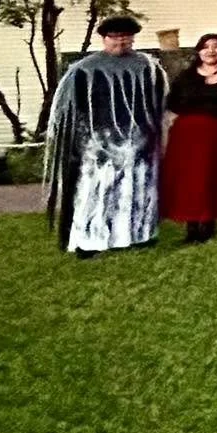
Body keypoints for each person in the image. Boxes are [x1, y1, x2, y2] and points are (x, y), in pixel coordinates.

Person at [46, 15, 166, 257]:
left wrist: (154, 135)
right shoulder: (84, 70)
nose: (120, 41)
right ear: (104, 38)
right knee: (96, 192)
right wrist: (84, 142)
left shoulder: (149, 67)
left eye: (126, 37)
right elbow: (70, 112)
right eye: (115, 37)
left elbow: (159, 103)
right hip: (99, 146)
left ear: (133, 38)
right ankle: (89, 240)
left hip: (141, 143)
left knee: (138, 189)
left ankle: (137, 235)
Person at [161, 33, 217, 243]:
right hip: (186, 136)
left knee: (211, 179)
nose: (211, 51)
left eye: (216, 46)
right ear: (199, 51)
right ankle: (191, 227)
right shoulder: (186, 76)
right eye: (206, 47)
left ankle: (208, 225)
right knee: (188, 181)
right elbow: (172, 103)